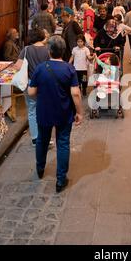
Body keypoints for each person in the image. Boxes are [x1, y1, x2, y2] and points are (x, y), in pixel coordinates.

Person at [28, 35, 83, 193]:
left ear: (49, 50)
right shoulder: (69, 69)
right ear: (64, 51)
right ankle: (60, 180)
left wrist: (43, 95)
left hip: (44, 110)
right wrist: (79, 112)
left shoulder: (40, 68)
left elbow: (31, 92)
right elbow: (75, 93)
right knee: (63, 143)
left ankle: (40, 169)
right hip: (64, 111)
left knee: (42, 140)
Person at [15, 28, 51, 146]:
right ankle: (45, 138)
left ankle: (35, 139)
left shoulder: (26, 50)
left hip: (30, 84)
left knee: (32, 110)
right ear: (42, 36)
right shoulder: (48, 50)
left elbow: (18, 66)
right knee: (46, 110)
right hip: (45, 83)